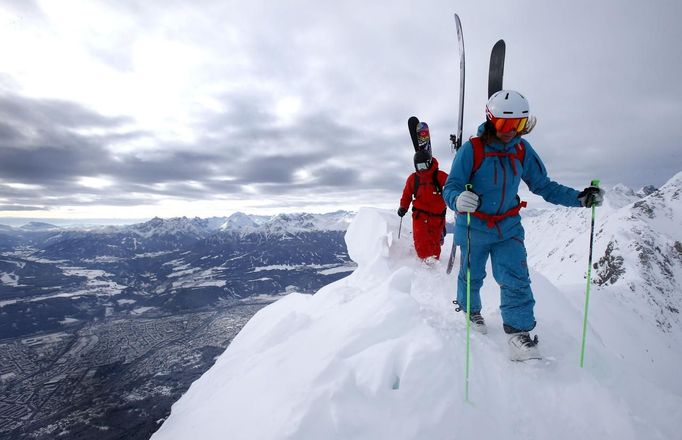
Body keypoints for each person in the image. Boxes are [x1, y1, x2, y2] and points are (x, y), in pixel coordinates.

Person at [442, 90, 604, 361]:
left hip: (508, 227)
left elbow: (543, 185)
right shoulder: (472, 150)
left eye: (518, 124)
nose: (511, 131)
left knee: (516, 278)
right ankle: (471, 310)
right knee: (473, 276)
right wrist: (458, 199)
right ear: (491, 120)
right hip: (474, 227)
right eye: (505, 124)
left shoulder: (521, 149)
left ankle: (519, 335)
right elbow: (451, 187)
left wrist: (579, 199)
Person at [398, 149, 449, 260]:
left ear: (429, 162)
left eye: (423, 166)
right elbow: (407, 194)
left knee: (434, 241)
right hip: (419, 216)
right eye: (418, 166)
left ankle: (434, 263)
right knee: (420, 239)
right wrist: (403, 207)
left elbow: (452, 187)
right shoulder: (413, 179)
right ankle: (424, 262)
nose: (421, 169)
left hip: (437, 217)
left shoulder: (440, 176)